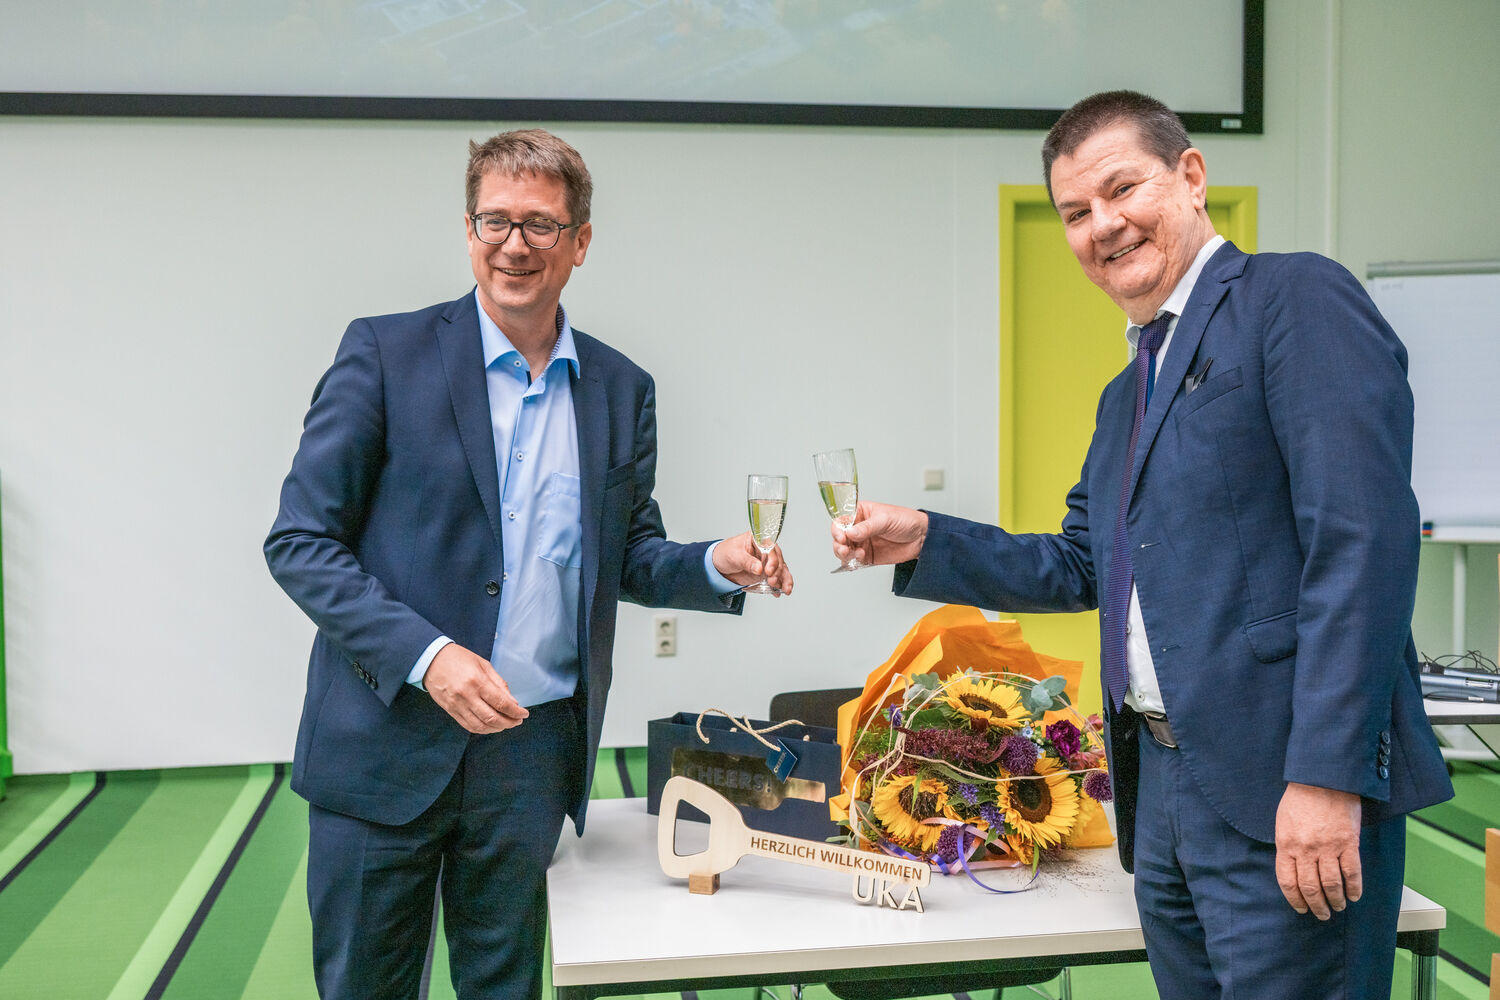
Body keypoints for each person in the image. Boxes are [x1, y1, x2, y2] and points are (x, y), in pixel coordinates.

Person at [831, 91, 1451, 1000]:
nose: (1103, 225)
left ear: (1191, 176)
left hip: (1284, 788)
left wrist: (1326, 777)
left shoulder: (1293, 299)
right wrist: (926, 539)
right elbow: (1086, 563)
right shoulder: (1129, 390)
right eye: (1075, 212)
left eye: (1122, 189)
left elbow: (1362, 545)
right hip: (1161, 798)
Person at [265, 128, 793, 1000]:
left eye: (541, 225)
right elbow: (301, 543)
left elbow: (627, 555)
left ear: (580, 243)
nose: (515, 244)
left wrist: (714, 563)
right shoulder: (385, 355)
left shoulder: (622, 388)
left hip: (529, 755)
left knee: (505, 987)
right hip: (384, 743)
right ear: (469, 230)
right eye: (496, 221)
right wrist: (430, 657)